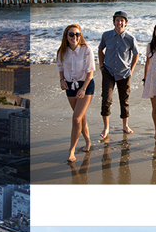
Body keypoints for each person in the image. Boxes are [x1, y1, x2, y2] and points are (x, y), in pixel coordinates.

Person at [55, 24, 95, 162]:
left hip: (86, 85)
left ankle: (71, 150)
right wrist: (61, 80)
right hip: (70, 86)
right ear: (66, 36)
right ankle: (88, 141)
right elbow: (60, 67)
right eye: (71, 34)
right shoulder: (62, 51)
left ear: (80, 35)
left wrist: (83, 88)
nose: (75, 37)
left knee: (76, 118)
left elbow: (90, 73)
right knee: (81, 117)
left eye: (77, 34)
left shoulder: (86, 49)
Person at [98, 10, 139, 139]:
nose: (119, 23)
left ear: (125, 23)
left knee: (124, 100)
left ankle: (125, 125)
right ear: (114, 22)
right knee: (106, 99)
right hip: (108, 72)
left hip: (124, 73)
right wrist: (101, 66)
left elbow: (136, 54)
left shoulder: (130, 38)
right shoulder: (106, 35)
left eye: (122, 20)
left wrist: (131, 70)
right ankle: (106, 128)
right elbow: (100, 49)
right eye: (117, 20)